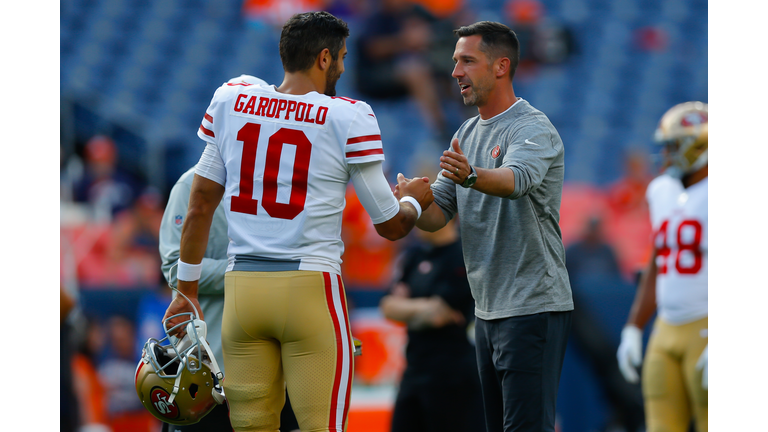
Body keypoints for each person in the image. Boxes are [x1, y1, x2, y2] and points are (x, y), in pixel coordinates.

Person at [161, 11, 434, 432]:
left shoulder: (234, 100)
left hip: (243, 294)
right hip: (309, 288)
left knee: (252, 426)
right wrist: (414, 202)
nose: (343, 67)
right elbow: (391, 226)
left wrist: (187, 292)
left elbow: (199, 206)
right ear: (324, 59)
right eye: (340, 57)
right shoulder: (347, 115)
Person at [400, 21, 574, 432]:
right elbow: (439, 214)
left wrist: (472, 176)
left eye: (467, 61)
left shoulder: (532, 127)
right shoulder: (466, 132)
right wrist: (413, 199)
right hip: (489, 310)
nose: (455, 71)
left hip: (534, 304)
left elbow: (516, 181)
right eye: (456, 61)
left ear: (500, 66)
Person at [616, 101, 708, 432]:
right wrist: (634, 327)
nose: (665, 154)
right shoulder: (662, 190)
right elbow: (658, 260)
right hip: (666, 328)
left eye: (673, 145)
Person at [379, 218, 485, 432]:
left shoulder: (465, 255)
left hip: (454, 376)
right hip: (414, 371)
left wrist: (406, 306)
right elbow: (387, 307)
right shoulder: (413, 256)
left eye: (424, 210)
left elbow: (436, 315)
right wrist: (423, 308)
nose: (415, 218)